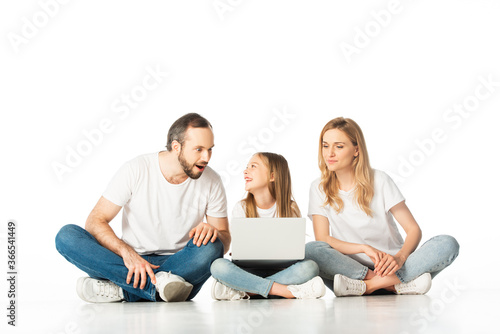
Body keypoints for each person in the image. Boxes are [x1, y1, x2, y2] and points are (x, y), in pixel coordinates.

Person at [55, 113, 230, 303]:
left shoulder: (212, 181)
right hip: (130, 262)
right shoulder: (137, 169)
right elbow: (96, 220)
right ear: (176, 146)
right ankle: (158, 288)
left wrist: (213, 232)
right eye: (199, 149)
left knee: (212, 246)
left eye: (210, 150)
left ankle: (125, 291)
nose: (206, 157)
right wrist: (126, 253)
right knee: (67, 236)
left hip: (179, 264)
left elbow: (224, 239)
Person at [305, 117, 460, 297]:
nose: (329, 153)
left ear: (356, 150)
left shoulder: (380, 180)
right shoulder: (318, 187)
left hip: (392, 263)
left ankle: (369, 286)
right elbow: (324, 238)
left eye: (338, 146)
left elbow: (413, 229)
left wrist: (400, 257)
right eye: (325, 145)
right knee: (311, 250)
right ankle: (395, 284)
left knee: (447, 244)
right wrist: (363, 248)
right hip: (350, 268)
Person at [210, 152, 325, 300]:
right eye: (246, 167)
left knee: (310, 267)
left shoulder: (291, 208)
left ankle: (247, 291)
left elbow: (294, 249)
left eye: (253, 166)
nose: (245, 171)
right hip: (249, 272)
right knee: (218, 265)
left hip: (282, 271)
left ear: (272, 176)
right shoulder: (242, 208)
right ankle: (283, 290)